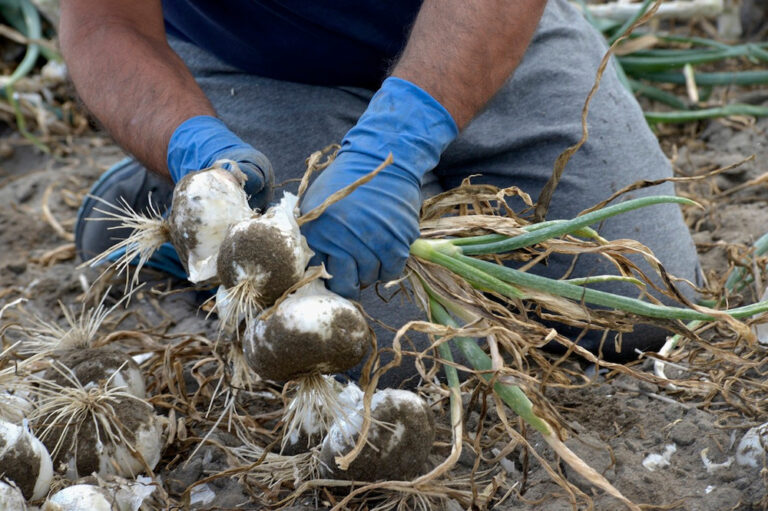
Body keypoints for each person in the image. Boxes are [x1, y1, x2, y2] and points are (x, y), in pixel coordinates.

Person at [63, 0, 702, 385]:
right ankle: (184, 206)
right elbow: (104, 21)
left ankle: (407, 170)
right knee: (403, 362)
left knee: (640, 304)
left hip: (478, 25)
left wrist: (399, 137)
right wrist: (194, 149)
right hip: (252, 64)